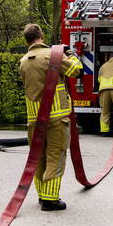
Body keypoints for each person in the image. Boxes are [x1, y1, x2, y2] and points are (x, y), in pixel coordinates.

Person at [18, 24, 83, 211]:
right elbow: (75, 71)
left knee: (37, 157)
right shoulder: (51, 57)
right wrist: (72, 55)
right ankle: (50, 199)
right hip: (56, 117)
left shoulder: (23, 61)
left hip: (33, 119)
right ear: (41, 36)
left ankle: (41, 195)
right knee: (56, 155)